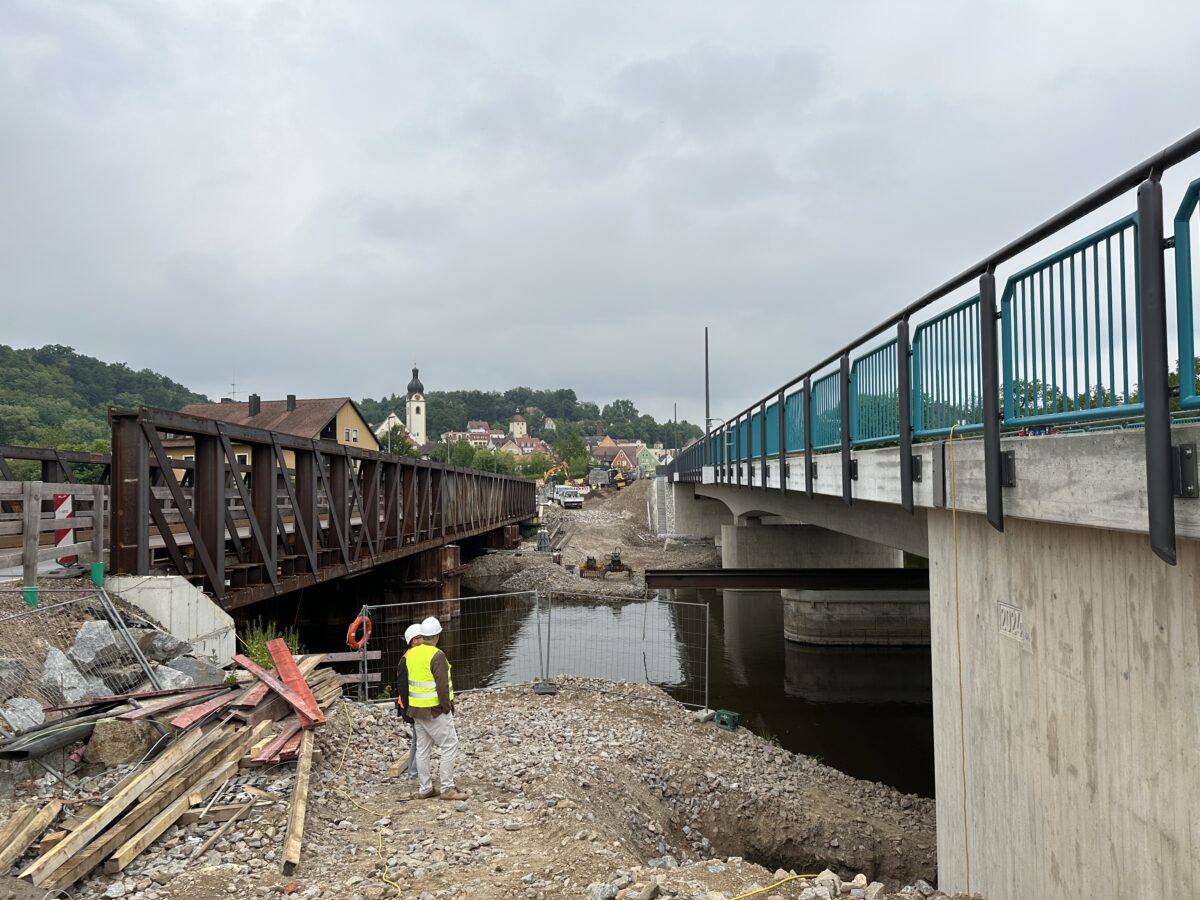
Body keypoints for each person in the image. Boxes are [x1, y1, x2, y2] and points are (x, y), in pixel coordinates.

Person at [406, 615, 468, 801]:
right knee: (450, 744)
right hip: (434, 710)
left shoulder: (411, 654)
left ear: (422, 635)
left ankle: (425, 788)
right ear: (438, 635)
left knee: (423, 749)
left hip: (416, 709)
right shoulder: (437, 655)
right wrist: (446, 707)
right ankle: (447, 788)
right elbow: (442, 685)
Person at [395, 623, 424, 782]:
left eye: (422, 637)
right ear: (412, 641)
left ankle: (415, 773)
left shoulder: (416, 657)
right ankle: (413, 775)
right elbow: (403, 688)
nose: (421, 641)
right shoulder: (406, 661)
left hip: (417, 707)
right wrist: (409, 711)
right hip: (410, 709)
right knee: (418, 741)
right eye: (418, 638)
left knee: (418, 740)